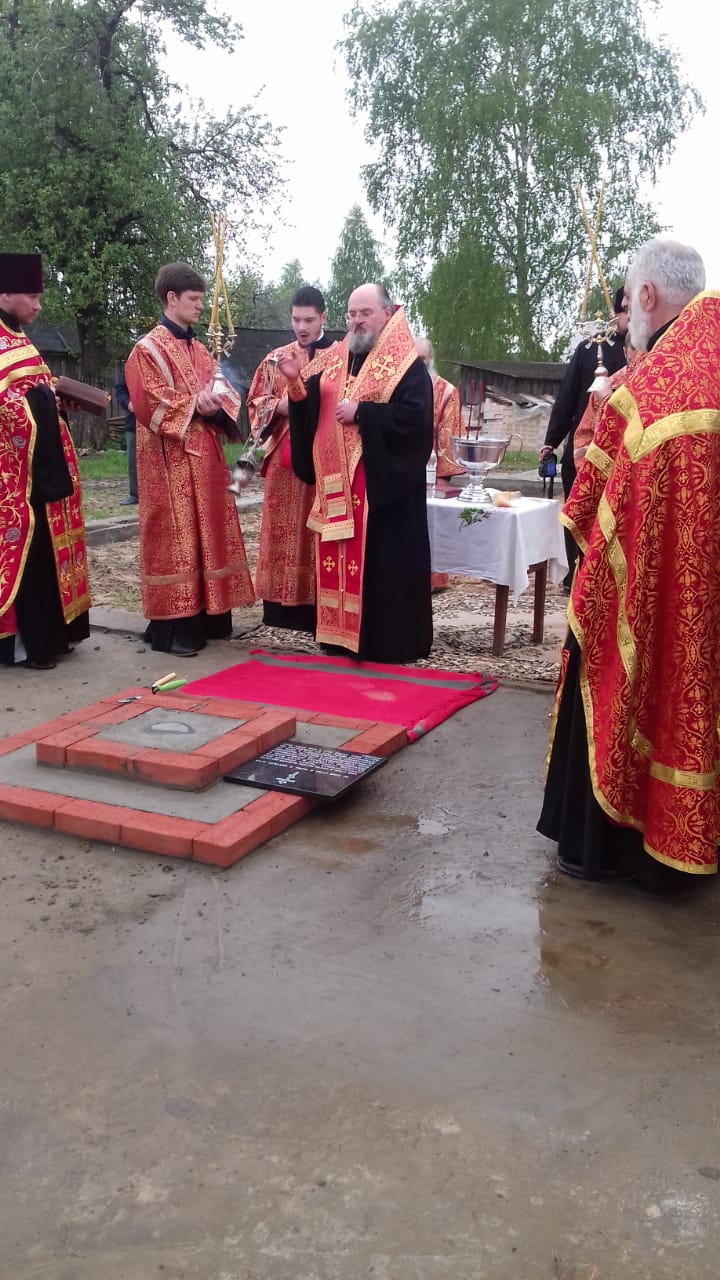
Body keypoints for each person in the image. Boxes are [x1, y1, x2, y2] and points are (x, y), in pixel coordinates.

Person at [538, 238, 715, 888]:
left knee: (618, 660)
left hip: (654, 593)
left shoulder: (647, 392)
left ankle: (609, 848)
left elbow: (588, 513)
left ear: (646, 295)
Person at [279, 283, 433, 663]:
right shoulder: (337, 360)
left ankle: (382, 643)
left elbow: (416, 421)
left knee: (381, 567)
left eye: (365, 313)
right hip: (337, 486)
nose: (357, 321)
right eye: (351, 314)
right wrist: (295, 383)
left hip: (382, 492)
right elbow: (310, 407)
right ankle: (339, 637)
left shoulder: (407, 366)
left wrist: (364, 413)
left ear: (387, 314)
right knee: (336, 560)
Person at [125, 262, 254, 657]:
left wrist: (216, 404)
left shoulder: (199, 349)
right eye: (194, 299)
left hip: (206, 461)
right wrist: (194, 403)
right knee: (177, 540)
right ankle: (175, 629)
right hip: (169, 465)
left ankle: (211, 618)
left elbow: (225, 391)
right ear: (172, 298)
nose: (200, 306)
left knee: (208, 535)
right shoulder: (147, 349)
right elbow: (148, 401)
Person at [0, 252, 91, 670]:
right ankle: (24, 644)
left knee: (49, 550)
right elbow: (9, 407)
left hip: (40, 469)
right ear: (6, 295)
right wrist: (42, 399)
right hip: (13, 479)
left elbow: (31, 394)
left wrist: (54, 400)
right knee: (28, 553)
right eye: (32, 296)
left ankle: (54, 635)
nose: (38, 305)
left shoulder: (20, 338)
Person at [247, 286, 336, 632]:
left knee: (319, 529)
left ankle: (320, 606)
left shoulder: (340, 357)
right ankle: (280, 608)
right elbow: (255, 402)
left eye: (309, 320)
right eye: (296, 319)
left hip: (324, 456)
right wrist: (281, 406)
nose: (302, 327)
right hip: (283, 461)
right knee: (282, 530)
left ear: (323, 317)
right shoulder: (276, 358)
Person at [539, 286, 628, 591]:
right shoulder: (590, 348)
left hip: (616, 452)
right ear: (617, 313)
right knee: (577, 510)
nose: (628, 318)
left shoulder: (642, 352)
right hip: (581, 448)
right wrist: (551, 441)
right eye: (624, 311)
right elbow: (567, 397)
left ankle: (597, 580)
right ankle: (573, 577)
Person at [415, 335, 465, 591]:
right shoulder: (396, 387)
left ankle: (433, 580)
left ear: (430, 359)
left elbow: (449, 435)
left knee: (432, 527)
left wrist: (441, 478)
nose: (418, 364)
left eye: (422, 359)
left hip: (431, 470)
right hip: (400, 468)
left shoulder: (445, 391)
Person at [115, 374, 137, 504]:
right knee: (133, 460)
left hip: (156, 421)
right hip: (134, 421)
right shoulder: (131, 367)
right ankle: (135, 494)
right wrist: (128, 403)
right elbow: (120, 390)